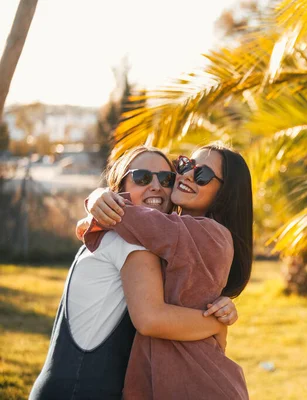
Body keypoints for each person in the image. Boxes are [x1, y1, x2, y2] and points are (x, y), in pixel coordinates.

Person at [29, 146, 239, 400]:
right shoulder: (131, 243)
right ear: (118, 188)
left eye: (166, 178)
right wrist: (215, 323)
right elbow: (151, 318)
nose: (156, 186)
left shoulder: (120, 236)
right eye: (142, 177)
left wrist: (221, 306)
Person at [83, 143, 252, 399]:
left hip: (199, 383)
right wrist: (215, 323)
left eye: (202, 174)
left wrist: (97, 200)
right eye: (185, 165)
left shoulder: (205, 233)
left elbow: (127, 216)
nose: (187, 175)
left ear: (224, 193)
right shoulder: (179, 234)